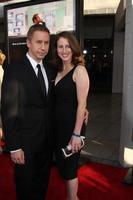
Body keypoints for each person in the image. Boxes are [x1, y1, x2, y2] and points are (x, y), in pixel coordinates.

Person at [1, 24, 56, 200]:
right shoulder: (14, 70)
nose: (43, 47)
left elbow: (54, 102)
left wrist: (81, 108)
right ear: (28, 43)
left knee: (42, 185)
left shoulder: (50, 69)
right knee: (25, 187)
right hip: (25, 145)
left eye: (47, 43)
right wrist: (14, 146)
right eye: (39, 42)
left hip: (46, 143)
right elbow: (9, 110)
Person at [53, 31, 90, 200]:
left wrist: (76, 134)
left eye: (67, 46)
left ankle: (72, 198)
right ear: (56, 50)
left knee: (70, 169)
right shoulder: (59, 69)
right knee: (64, 167)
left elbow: (82, 104)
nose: (64, 50)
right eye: (60, 46)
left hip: (72, 129)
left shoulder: (79, 70)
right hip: (59, 127)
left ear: (74, 48)